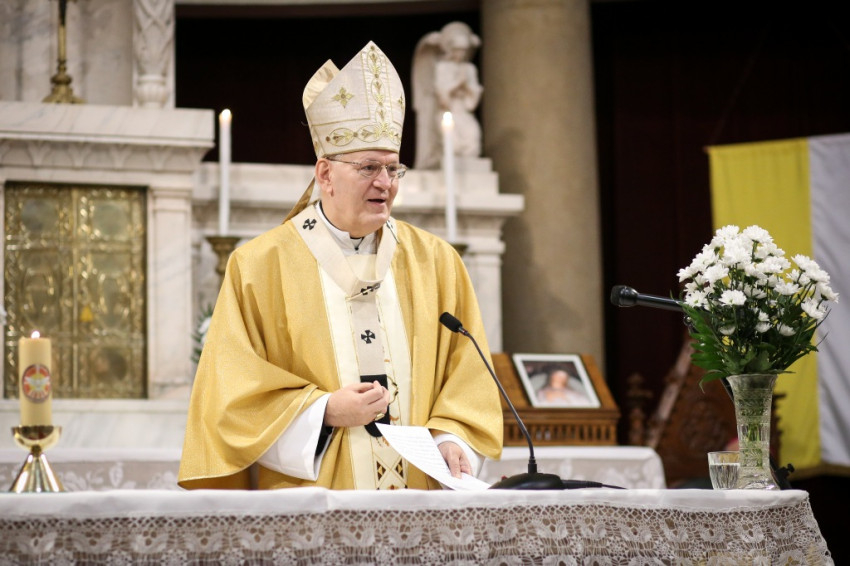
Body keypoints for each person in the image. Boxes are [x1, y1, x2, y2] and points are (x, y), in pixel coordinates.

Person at [178, 42, 503, 490]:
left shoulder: (437, 262)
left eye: (393, 169)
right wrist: (324, 412)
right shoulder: (260, 266)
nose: (385, 183)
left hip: (422, 500)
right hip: (313, 507)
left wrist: (452, 439)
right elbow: (229, 399)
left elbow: (468, 379)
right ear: (325, 174)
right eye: (368, 167)